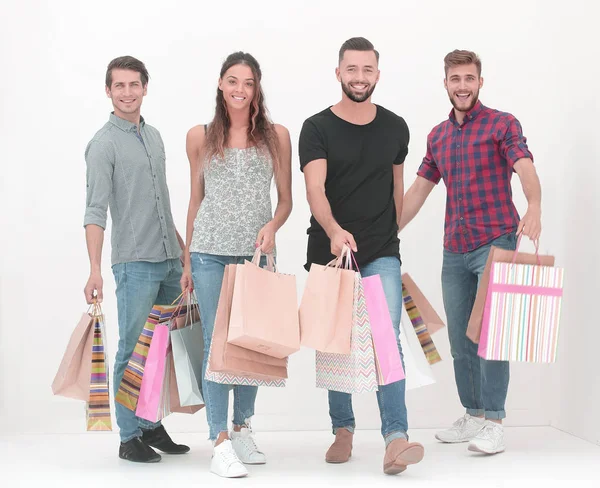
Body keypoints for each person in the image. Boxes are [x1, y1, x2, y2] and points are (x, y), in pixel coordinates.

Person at [399, 49, 542, 455]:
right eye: (455, 79)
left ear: (480, 82)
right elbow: (418, 192)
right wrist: (386, 233)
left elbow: (524, 165)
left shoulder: (502, 124)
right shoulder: (438, 136)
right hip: (454, 251)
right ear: (445, 84)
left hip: (496, 242)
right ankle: (474, 413)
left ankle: (494, 421)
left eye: (469, 78)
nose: (462, 86)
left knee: (491, 337)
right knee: (463, 341)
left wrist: (534, 205)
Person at [298, 37, 425, 475]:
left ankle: (395, 438)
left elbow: (396, 189)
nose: (359, 77)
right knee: (338, 341)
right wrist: (334, 231)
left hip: (381, 252)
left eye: (366, 70)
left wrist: (391, 235)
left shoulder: (396, 127)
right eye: (351, 69)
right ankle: (343, 429)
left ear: (377, 74)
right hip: (331, 251)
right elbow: (314, 188)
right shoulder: (316, 127)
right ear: (338, 73)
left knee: (385, 338)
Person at [180, 51, 292, 478]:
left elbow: (285, 200)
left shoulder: (277, 136)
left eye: (247, 82)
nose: (239, 89)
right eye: (232, 80)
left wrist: (272, 225)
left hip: (257, 252)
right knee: (216, 343)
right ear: (220, 85)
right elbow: (195, 200)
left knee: (250, 341)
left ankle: (243, 427)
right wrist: (188, 260)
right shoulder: (199, 136)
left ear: (257, 87)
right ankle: (219, 440)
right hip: (208, 250)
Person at [83, 56, 189, 463]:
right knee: (132, 351)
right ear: (108, 91)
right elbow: (94, 211)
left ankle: (150, 424)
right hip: (134, 263)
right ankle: (129, 437)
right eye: (119, 85)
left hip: (168, 261)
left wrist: (181, 249)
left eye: (134, 84)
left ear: (146, 87)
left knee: (161, 348)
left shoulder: (156, 136)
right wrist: (94, 268)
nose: (127, 92)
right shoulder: (103, 144)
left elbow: (162, 201)